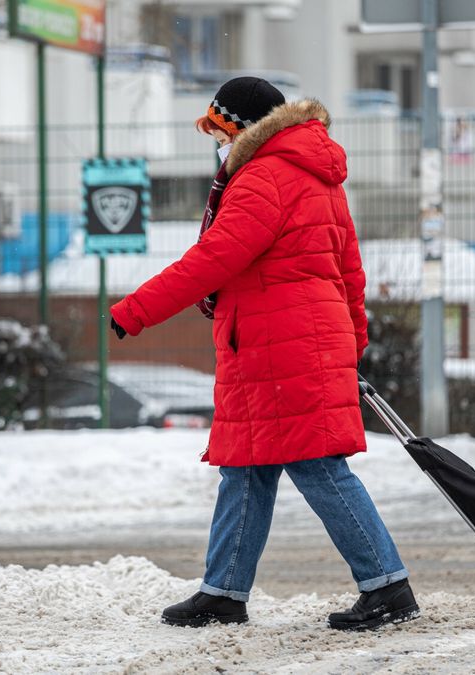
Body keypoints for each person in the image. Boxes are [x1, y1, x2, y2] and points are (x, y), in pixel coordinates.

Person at [108, 77, 418, 631]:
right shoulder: (315, 177)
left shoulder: (264, 179)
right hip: (285, 343)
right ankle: (224, 591)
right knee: (246, 469)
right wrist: (350, 342)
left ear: (245, 129)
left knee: (317, 465)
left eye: (220, 130)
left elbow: (212, 260)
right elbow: (349, 272)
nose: (217, 144)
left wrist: (136, 310)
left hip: (282, 347)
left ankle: (387, 587)